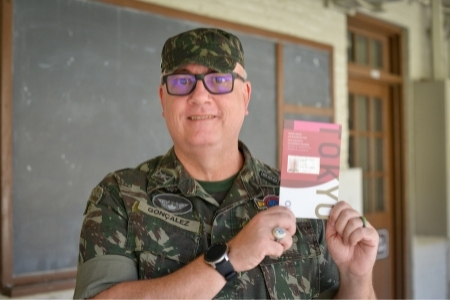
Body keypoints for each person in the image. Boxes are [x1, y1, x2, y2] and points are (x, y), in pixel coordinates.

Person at [73, 27, 379, 299]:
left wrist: (357, 277)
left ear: (245, 96)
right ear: (162, 99)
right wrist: (228, 259)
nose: (200, 95)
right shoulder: (119, 196)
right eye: (181, 81)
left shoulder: (299, 194)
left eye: (219, 80)